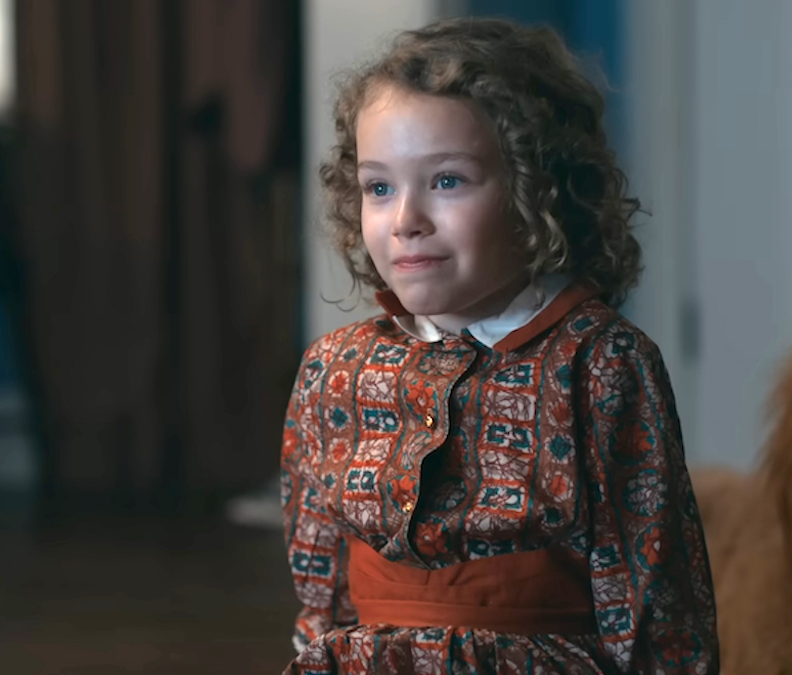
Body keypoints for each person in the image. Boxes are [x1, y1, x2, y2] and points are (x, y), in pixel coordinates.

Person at [280, 17, 719, 675]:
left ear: (534, 189)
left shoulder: (601, 365)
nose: (406, 220)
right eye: (379, 186)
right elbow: (321, 587)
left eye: (447, 180)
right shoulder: (332, 368)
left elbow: (658, 604)